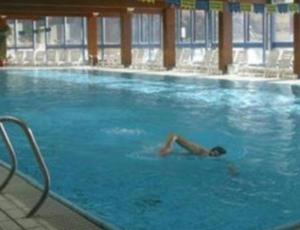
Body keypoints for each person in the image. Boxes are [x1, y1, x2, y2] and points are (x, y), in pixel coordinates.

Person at [159, 133, 226, 157]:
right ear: (212, 150)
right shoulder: (198, 150)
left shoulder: (203, 155)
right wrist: (168, 147)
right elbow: (174, 135)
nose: (214, 156)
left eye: (216, 156)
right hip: (161, 152)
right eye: (214, 154)